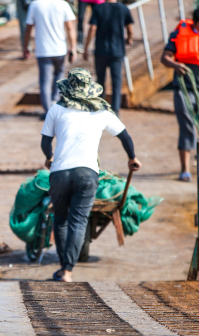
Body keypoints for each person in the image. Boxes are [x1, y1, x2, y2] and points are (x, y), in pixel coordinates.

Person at [40, 68, 141, 282]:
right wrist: (132, 158)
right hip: (87, 173)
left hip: (59, 173)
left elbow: (45, 141)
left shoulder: (56, 109)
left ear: (67, 88)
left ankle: (62, 269)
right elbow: (125, 136)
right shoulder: (102, 112)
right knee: (78, 221)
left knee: (60, 220)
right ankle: (67, 271)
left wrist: (49, 158)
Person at [161, 4, 199, 182]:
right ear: (195, 22)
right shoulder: (178, 34)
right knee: (187, 127)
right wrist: (175, 65)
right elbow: (164, 58)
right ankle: (185, 169)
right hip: (184, 89)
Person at [23, 0, 77, 119]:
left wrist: (25, 47)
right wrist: (73, 47)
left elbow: (28, 29)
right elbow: (70, 28)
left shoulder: (35, 5)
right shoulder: (63, 4)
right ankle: (55, 103)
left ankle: (47, 110)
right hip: (60, 48)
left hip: (43, 50)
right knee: (59, 76)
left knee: (44, 80)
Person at [83, 0, 134, 115]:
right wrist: (129, 38)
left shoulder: (98, 9)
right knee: (116, 82)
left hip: (100, 50)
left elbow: (92, 29)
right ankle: (115, 111)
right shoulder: (124, 9)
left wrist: (86, 47)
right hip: (117, 51)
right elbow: (129, 28)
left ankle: (101, 109)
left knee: (100, 81)